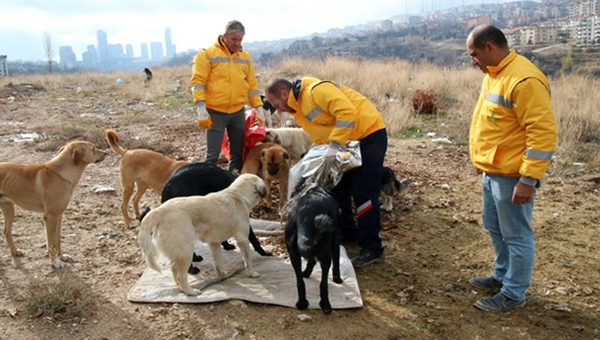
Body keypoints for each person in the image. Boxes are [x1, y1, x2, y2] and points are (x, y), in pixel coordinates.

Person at [466, 24, 557, 312]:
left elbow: (542, 134)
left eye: (475, 53)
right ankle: (502, 274)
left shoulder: (524, 79)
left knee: (516, 234)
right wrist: (483, 161)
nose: (473, 61)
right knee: (494, 226)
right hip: (493, 172)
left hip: (512, 177)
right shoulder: (494, 75)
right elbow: (496, 125)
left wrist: (528, 179)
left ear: (490, 48)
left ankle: (513, 293)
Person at [265, 77, 387, 268]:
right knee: (338, 188)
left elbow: (347, 112)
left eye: (276, 104)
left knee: (364, 193)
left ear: (284, 93)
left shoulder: (315, 91)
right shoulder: (298, 108)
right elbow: (322, 130)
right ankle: (348, 232)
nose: (278, 109)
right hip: (347, 144)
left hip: (367, 136)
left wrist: (335, 143)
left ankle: (372, 248)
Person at [190, 20, 265, 172]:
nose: (237, 43)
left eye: (240, 40)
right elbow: (198, 82)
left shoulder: (245, 58)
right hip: (215, 112)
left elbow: (251, 86)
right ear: (224, 37)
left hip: (237, 111)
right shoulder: (207, 54)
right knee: (212, 155)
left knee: (237, 154)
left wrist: (259, 108)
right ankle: (207, 187)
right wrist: (201, 107)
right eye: (234, 39)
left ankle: (232, 184)